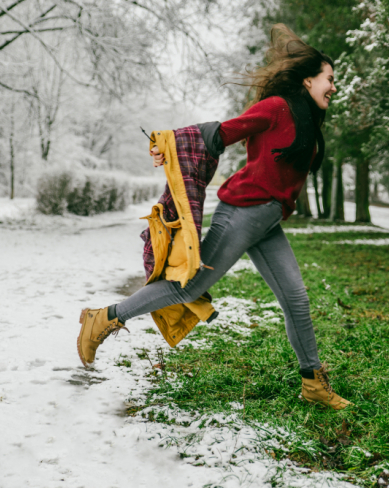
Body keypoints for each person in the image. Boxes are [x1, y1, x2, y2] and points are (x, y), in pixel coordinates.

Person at [77, 24, 352, 410]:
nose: (334, 87)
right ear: (308, 80)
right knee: (188, 286)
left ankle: (313, 384)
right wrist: (168, 145)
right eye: (330, 79)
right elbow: (223, 132)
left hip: (267, 220)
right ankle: (103, 317)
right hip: (244, 211)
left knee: (296, 299)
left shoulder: (305, 118)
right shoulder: (276, 108)